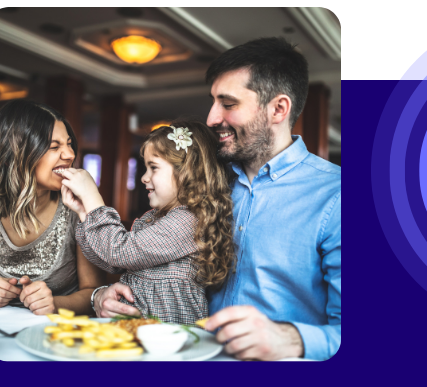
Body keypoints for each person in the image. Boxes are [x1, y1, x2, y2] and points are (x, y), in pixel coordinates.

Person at [97, 38, 341, 360]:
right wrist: (103, 295)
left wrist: (289, 338)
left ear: (278, 109)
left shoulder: (337, 196)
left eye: (228, 104)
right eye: (213, 102)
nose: (212, 118)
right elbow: (157, 266)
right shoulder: (204, 182)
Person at [59, 119, 234, 324]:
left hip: (168, 333)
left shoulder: (189, 220)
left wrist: (94, 201)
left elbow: (120, 252)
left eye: (154, 168)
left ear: (186, 172)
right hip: (138, 326)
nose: (144, 177)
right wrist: (84, 214)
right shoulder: (153, 218)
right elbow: (111, 263)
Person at [0, 99, 105, 315]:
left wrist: (54, 304)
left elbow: (95, 291)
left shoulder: (77, 209)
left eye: (69, 143)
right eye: (54, 147)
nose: (70, 155)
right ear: (14, 154)